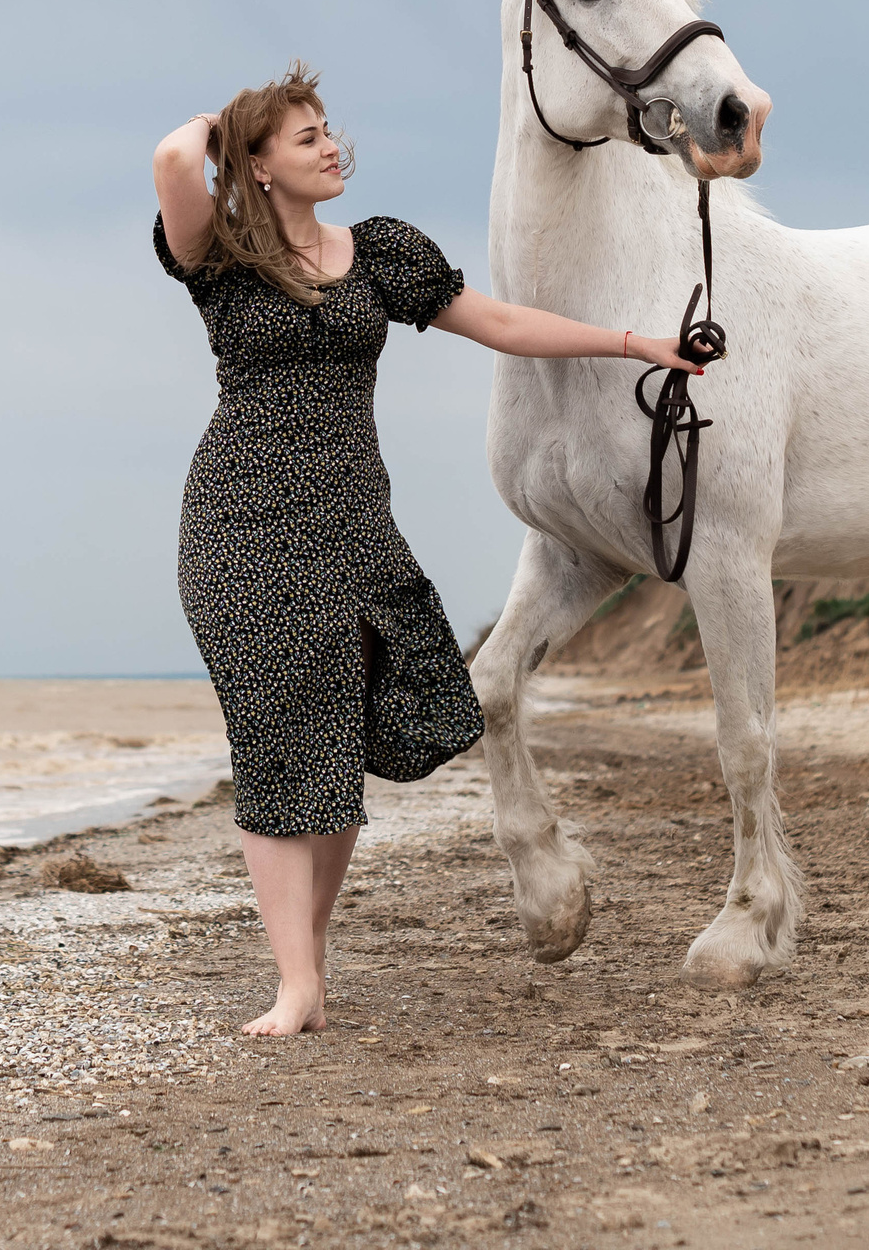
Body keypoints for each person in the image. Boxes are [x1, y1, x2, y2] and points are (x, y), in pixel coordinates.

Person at [151, 61, 706, 1036]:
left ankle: (307, 967)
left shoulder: (380, 254)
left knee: (340, 745)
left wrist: (632, 342)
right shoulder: (221, 261)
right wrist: (223, 127)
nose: (329, 145)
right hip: (241, 525)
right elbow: (169, 159)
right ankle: (295, 987)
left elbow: (494, 321)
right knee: (279, 743)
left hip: (354, 521)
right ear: (259, 165)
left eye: (328, 127)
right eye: (304, 136)